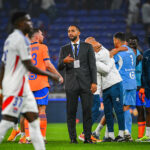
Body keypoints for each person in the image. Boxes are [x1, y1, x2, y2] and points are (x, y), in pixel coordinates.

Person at [0, 11, 60, 150]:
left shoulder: (10, 40)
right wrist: (52, 76)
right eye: (27, 21)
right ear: (19, 23)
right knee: (10, 118)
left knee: (31, 117)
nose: (30, 24)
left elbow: (3, 64)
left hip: (23, 85)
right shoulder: (21, 40)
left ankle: (30, 140)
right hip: (19, 84)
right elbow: (29, 66)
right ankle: (28, 137)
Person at [7, 28, 63, 143]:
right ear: (37, 36)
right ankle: (42, 137)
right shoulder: (43, 47)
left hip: (27, 85)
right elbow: (48, 64)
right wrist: (58, 75)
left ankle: (28, 137)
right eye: (42, 34)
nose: (43, 36)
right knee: (42, 110)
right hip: (41, 83)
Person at [58, 25, 97, 143]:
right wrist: (64, 61)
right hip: (71, 85)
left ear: (78, 32)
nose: (70, 33)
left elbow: (92, 66)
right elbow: (59, 66)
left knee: (87, 111)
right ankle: (73, 138)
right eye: (68, 31)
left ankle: (87, 138)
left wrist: (94, 82)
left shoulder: (88, 47)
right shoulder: (64, 49)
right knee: (71, 112)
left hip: (86, 84)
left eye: (72, 31)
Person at [113, 32, 137, 141]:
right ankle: (127, 133)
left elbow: (109, 64)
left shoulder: (118, 53)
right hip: (132, 82)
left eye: (114, 40)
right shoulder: (132, 51)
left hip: (122, 82)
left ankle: (122, 133)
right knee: (126, 108)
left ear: (117, 40)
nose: (113, 42)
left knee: (118, 108)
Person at [136, 47, 150, 142]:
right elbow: (143, 72)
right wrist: (142, 86)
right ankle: (148, 135)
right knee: (148, 110)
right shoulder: (146, 54)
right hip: (148, 87)